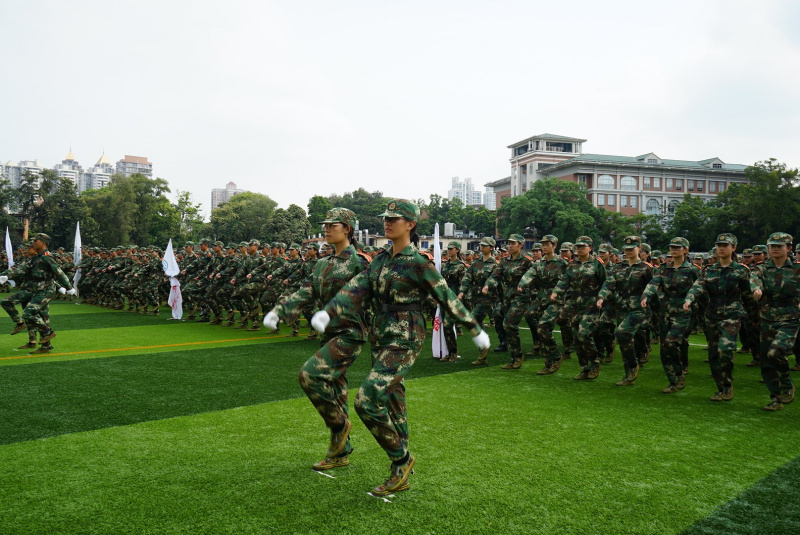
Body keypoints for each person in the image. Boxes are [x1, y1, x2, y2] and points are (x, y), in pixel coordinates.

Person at [312, 199, 490, 497]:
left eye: (394, 219)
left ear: (410, 224)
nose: (387, 222)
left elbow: (446, 296)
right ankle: (400, 470)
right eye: (386, 218)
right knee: (393, 400)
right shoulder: (381, 259)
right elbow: (356, 288)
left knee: (366, 400)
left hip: (405, 337)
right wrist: (330, 310)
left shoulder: (418, 261)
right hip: (381, 333)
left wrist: (474, 328)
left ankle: (402, 460)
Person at [265, 208, 371, 469]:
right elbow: (307, 291)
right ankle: (340, 454)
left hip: (349, 333)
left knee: (309, 375)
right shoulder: (323, 263)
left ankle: (340, 425)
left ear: (346, 228)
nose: (326, 229)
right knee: (336, 391)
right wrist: (280, 311)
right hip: (329, 334)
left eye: (332, 225)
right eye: (325, 225)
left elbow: (366, 293)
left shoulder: (359, 262)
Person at [684, 233, 751, 401]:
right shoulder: (709, 270)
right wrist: (689, 299)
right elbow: (697, 286)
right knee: (713, 353)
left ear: (733, 248)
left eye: (725, 245)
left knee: (725, 350)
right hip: (712, 315)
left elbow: (748, 295)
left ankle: (727, 385)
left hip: (732, 315)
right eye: (719, 245)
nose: (721, 248)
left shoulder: (741, 270)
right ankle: (720, 387)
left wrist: (753, 314)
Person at [0, 233, 76, 354]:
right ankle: (46, 346)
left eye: (36, 241)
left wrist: (69, 287)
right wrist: (6, 276)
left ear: (43, 243)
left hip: (46, 290)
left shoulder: (47, 257)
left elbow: (59, 273)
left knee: (28, 313)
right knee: (43, 317)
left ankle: (48, 332)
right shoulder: (37, 257)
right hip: (38, 289)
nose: (33, 243)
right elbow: (22, 269)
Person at [641, 237, 699, 393]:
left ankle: (679, 372)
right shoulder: (663, 268)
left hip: (683, 313)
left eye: (677, 247)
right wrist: (646, 296)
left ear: (685, 250)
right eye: (672, 247)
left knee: (671, 342)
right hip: (665, 312)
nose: (673, 250)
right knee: (664, 348)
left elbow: (700, 289)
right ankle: (674, 380)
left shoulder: (692, 270)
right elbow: (654, 283)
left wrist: (696, 308)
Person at [750, 232, 799, 411]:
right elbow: (754, 281)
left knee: (775, 352)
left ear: (789, 248)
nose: (775, 249)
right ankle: (776, 399)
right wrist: (756, 290)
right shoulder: (761, 269)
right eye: (772, 246)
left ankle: (787, 384)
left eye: (779, 246)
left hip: (789, 318)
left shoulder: (796, 269)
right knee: (767, 362)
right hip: (768, 318)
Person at [598, 236, 652, 386]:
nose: (628, 251)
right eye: (626, 249)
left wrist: (650, 304)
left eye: (631, 249)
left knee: (622, 333)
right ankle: (629, 372)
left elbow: (652, 288)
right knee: (624, 340)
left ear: (639, 249)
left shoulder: (645, 268)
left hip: (638, 309)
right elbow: (609, 284)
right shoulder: (618, 268)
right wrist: (602, 297)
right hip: (622, 307)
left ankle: (635, 362)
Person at [551, 236, 606, 380]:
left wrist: (602, 298)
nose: (580, 249)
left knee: (584, 334)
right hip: (576, 304)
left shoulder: (597, 264)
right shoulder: (573, 264)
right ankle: (585, 368)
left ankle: (594, 363)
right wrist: (556, 291)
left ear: (590, 248)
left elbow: (605, 283)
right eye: (578, 247)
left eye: (583, 246)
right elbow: (565, 280)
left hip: (591, 304)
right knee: (576, 337)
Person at [482, 234, 532, 370]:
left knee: (509, 324)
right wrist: (488, 284)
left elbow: (534, 277)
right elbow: (495, 275)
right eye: (509, 243)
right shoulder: (504, 262)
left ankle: (517, 356)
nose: (510, 246)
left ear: (521, 245)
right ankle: (513, 355)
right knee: (502, 320)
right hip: (507, 297)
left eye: (513, 243)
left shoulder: (527, 262)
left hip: (521, 298)